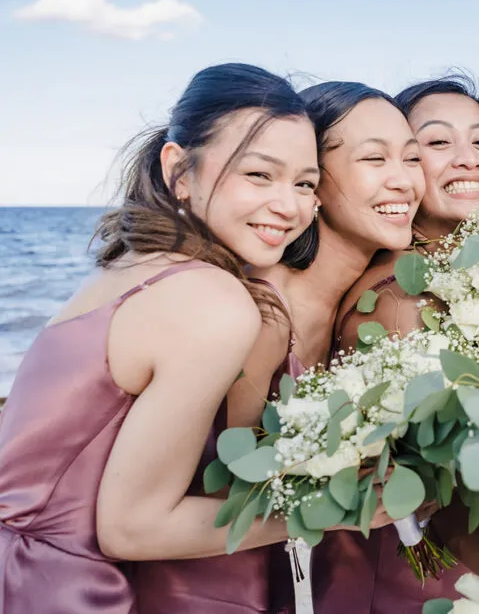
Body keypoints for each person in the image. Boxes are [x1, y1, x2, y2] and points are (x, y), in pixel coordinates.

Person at [0, 63, 322, 613]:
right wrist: (339, 509)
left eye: (306, 184)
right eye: (259, 175)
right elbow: (132, 529)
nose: (290, 206)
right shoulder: (212, 300)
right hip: (58, 590)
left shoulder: (136, 266)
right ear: (178, 170)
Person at [129, 81, 419, 612]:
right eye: (375, 158)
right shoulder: (261, 314)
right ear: (315, 181)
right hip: (209, 590)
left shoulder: (361, 308)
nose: (404, 179)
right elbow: (226, 490)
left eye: (413, 157)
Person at [330, 75, 479, 613]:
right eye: (436, 144)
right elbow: (443, 505)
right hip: (425, 582)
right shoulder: (394, 304)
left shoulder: (469, 276)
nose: (468, 160)